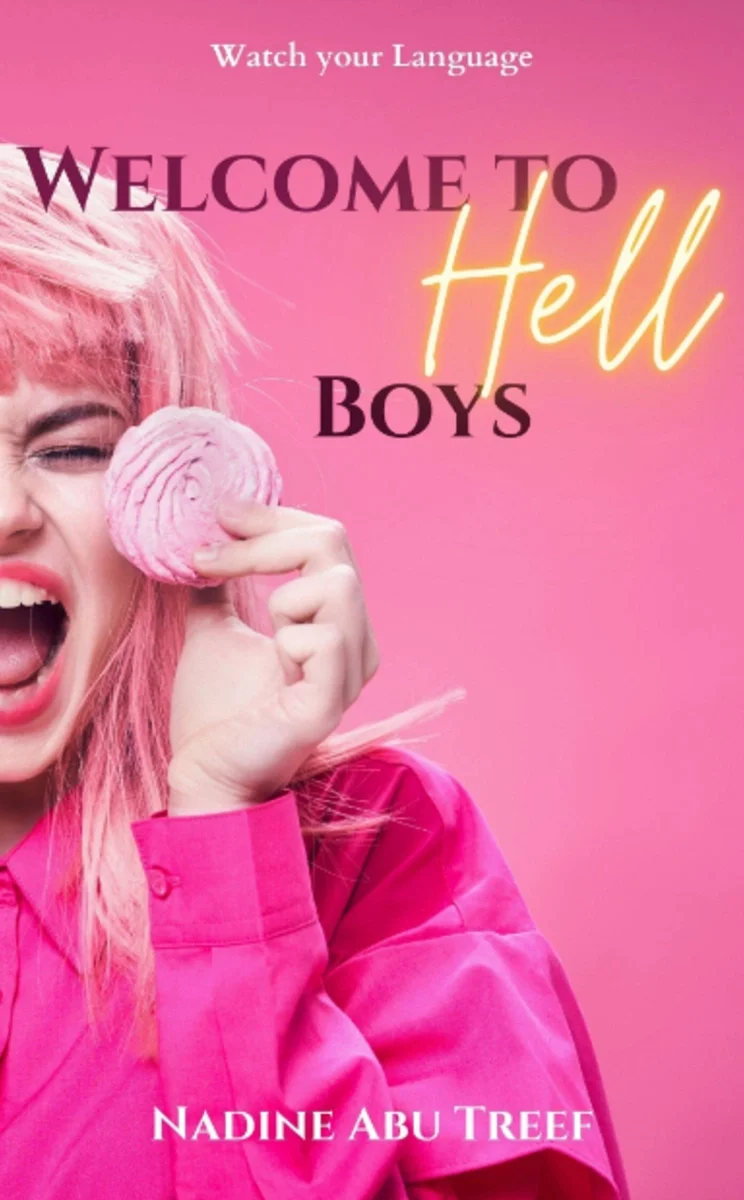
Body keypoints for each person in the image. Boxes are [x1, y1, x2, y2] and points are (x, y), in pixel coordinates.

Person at [0, 145, 629, 1199]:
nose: (4, 513)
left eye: (70, 448)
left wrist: (222, 831)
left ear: (171, 491)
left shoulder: (383, 846)